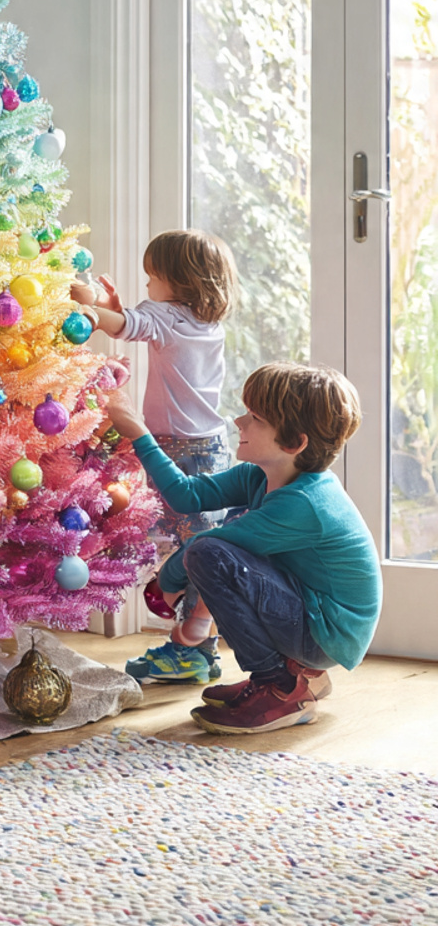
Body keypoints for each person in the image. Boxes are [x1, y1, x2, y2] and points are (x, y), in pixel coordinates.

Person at [105, 363, 381, 734]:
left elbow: (209, 548)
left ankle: (279, 688)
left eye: (255, 418)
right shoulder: (262, 474)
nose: (238, 422)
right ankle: (297, 677)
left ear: (294, 443)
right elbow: (186, 495)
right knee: (217, 546)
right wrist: (137, 431)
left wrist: (166, 580)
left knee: (209, 555)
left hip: (325, 634)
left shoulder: (304, 502)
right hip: (311, 611)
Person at [72, 229, 238, 685]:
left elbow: (127, 326)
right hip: (208, 446)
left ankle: (193, 648)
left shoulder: (166, 315)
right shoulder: (203, 321)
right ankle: (199, 647)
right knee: (195, 545)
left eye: (152, 276)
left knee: (194, 549)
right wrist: (120, 308)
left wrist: (89, 309)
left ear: (177, 280)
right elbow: (137, 322)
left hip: (181, 449)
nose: (148, 284)